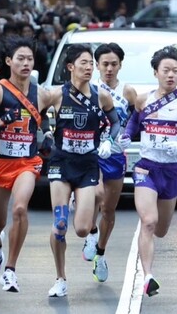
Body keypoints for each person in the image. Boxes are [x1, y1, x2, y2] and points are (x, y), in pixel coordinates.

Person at [120, 46, 177, 297]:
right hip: (146, 168)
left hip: (172, 171)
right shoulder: (143, 99)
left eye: (176, 71)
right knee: (149, 222)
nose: (171, 75)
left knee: (161, 229)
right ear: (155, 72)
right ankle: (148, 277)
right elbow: (134, 123)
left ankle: (148, 269)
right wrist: (126, 135)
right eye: (166, 70)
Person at [0, 37, 55, 293]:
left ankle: (10, 270)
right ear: (8, 62)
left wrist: (48, 135)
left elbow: (43, 120)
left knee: (20, 209)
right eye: (20, 58)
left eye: (30, 58)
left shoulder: (40, 93)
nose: (26, 63)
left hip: (27, 163)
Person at [41, 43, 119, 298]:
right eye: (83, 63)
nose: (88, 67)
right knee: (60, 225)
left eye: (90, 63)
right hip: (61, 164)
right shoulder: (56, 94)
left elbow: (115, 121)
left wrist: (109, 140)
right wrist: (46, 133)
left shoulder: (101, 96)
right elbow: (38, 112)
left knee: (82, 228)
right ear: (70, 67)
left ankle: (91, 234)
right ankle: (60, 278)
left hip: (87, 166)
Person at [83, 42, 137, 283]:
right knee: (94, 195)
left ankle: (100, 254)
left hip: (115, 154)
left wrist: (128, 136)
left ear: (121, 65)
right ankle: (90, 233)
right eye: (104, 64)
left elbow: (136, 119)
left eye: (114, 64)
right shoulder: (89, 90)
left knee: (108, 208)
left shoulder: (127, 92)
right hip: (91, 153)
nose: (109, 68)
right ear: (96, 65)